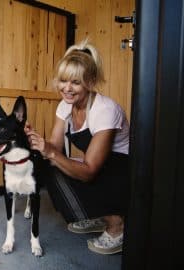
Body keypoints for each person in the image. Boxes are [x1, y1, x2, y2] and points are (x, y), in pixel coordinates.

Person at [25, 39, 130, 255]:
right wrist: (36, 141)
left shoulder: (104, 110)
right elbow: (54, 146)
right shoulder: (65, 105)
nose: (67, 88)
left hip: (124, 171)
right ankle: (98, 216)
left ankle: (117, 225)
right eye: (63, 81)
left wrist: (51, 152)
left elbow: (90, 171)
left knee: (69, 166)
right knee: (48, 167)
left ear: (90, 82)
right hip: (100, 165)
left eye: (76, 82)